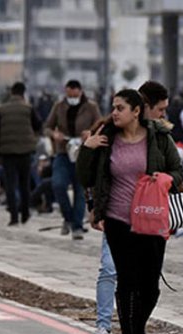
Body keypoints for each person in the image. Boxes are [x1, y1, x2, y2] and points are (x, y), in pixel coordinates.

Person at [76, 89, 183, 334]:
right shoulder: (106, 138)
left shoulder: (159, 138)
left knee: (150, 286)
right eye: (113, 107)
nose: (114, 112)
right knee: (126, 280)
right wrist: (86, 150)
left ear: (136, 111)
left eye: (121, 108)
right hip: (117, 220)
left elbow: (178, 171)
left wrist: (163, 178)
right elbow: (85, 176)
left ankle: (137, 328)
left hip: (151, 219)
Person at [45, 80, 102, 240]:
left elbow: (100, 126)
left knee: (80, 190)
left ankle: (76, 226)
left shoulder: (91, 107)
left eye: (74, 95)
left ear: (80, 91)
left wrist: (89, 133)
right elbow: (47, 126)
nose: (71, 98)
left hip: (83, 152)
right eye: (69, 94)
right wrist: (54, 134)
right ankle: (68, 218)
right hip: (63, 151)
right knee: (58, 184)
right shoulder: (59, 106)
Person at [0, 82, 41, 226]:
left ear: (11, 93)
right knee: (24, 184)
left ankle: (14, 216)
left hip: (7, 153)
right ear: (23, 93)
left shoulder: (2, 109)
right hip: (25, 152)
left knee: (10, 185)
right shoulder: (29, 108)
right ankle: (25, 213)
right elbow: (38, 125)